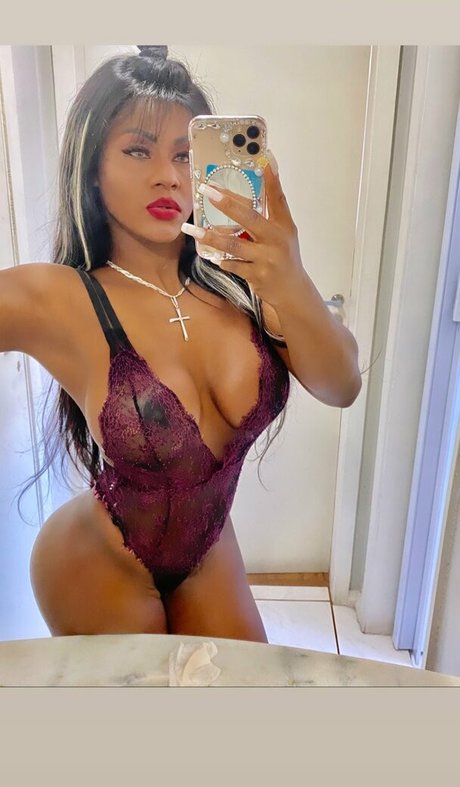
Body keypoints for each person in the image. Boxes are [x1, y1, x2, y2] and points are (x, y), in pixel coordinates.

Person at [0, 46, 362, 642]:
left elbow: (341, 385)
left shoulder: (245, 288)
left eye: (185, 154)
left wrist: (292, 279)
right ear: (92, 168)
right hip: (96, 560)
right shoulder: (63, 297)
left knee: (246, 695)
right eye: (137, 150)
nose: (168, 175)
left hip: (208, 548)